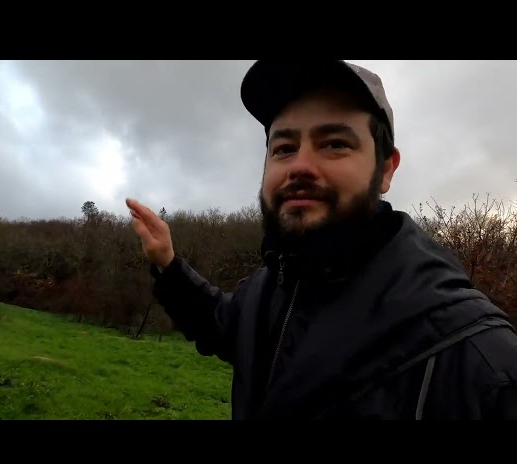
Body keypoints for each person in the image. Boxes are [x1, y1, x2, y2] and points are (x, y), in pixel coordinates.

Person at [126, 60, 517, 420]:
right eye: (284, 148)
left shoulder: (481, 360)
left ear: (385, 169)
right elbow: (220, 325)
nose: (300, 166)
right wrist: (168, 264)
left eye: (334, 144)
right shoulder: (270, 287)